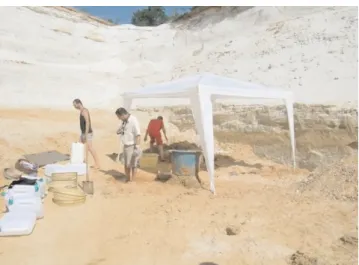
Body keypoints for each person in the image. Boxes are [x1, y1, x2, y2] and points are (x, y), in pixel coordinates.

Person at [73, 99, 100, 169]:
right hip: (84, 133)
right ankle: (82, 160)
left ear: (78, 103)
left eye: (74, 104)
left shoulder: (84, 111)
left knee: (90, 148)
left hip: (87, 133)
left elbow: (88, 122)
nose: (74, 106)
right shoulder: (81, 111)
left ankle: (97, 164)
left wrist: (85, 134)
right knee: (79, 145)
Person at [116, 107, 141, 182]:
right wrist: (120, 129)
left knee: (133, 164)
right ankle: (127, 178)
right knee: (126, 164)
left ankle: (132, 180)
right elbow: (118, 131)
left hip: (132, 146)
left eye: (119, 117)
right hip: (126, 145)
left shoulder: (133, 120)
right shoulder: (125, 122)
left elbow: (138, 135)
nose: (119, 119)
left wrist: (137, 147)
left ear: (123, 115)